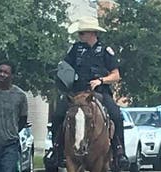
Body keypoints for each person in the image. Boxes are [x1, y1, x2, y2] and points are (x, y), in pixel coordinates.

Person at [52, 16, 129, 168]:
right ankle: (56, 150)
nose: (79, 36)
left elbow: (116, 75)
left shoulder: (106, 51)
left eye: (82, 33)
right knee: (58, 115)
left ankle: (119, 152)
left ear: (92, 33)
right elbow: (65, 68)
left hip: (99, 92)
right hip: (77, 92)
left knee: (116, 116)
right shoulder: (75, 49)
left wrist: (100, 81)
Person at [0, 61, 28, 172]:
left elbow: (23, 119)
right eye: (0, 71)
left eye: (6, 72)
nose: (2, 74)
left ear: (12, 76)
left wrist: (11, 130)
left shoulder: (20, 95)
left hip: (10, 145)